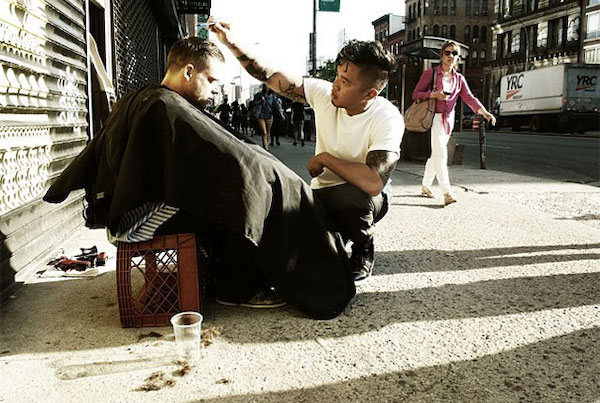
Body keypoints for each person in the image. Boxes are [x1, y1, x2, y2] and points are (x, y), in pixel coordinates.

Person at [43, 37, 355, 320]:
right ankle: (236, 290)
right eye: (212, 80)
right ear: (189, 72)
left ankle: (230, 278)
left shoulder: (149, 99)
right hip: (135, 221)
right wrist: (276, 179)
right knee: (239, 201)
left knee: (236, 191)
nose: (217, 89)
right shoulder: (163, 106)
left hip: (125, 210)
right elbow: (231, 160)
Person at [209, 19, 405, 282]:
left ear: (369, 94)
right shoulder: (324, 95)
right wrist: (231, 42)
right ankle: (335, 237)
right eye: (337, 75)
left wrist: (326, 159)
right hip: (321, 195)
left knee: (349, 198)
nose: (335, 84)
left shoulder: (387, 117)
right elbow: (271, 76)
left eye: (345, 82)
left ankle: (363, 247)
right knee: (292, 248)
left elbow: (373, 181)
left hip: (364, 199)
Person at [412, 41, 496, 205]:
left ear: (458, 58)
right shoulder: (431, 74)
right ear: (442, 55)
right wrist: (433, 95)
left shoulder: (459, 79)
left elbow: (469, 98)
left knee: (436, 154)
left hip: (448, 120)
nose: (451, 56)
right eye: (447, 53)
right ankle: (447, 193)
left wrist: (484, 112)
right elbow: (415, 94)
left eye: (454, 53)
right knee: (441, 155)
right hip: (434, 117)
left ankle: (425, 185)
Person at [255, 85, 283, 150]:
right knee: (264, 132)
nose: (266, 88)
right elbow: (253, 104)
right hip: (260, 115)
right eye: (265, 86)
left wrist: (281, 114)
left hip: (269, 116)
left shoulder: (272, 96)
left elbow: (277, 106)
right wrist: (260, 101)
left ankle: (266, 143)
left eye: (267, 86)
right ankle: (265, 147)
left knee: (268, 133)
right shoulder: (259, 95)